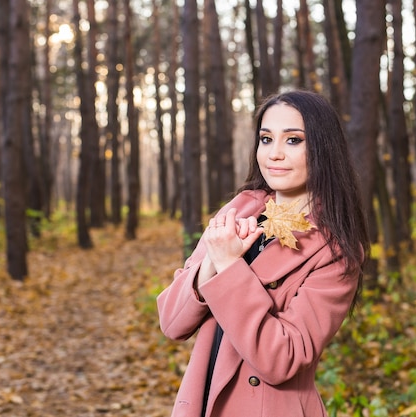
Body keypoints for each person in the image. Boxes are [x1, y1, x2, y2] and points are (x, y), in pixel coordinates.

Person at [157, 90, 369, 417]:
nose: (275, 154)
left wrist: (229, 265)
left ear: (324, 149)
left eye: (294, 140)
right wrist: (212, 261)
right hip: (201, 401)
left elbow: (282, 358)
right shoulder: (241, 208)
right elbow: (172, 322)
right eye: (266, 139)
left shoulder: (335, 250)